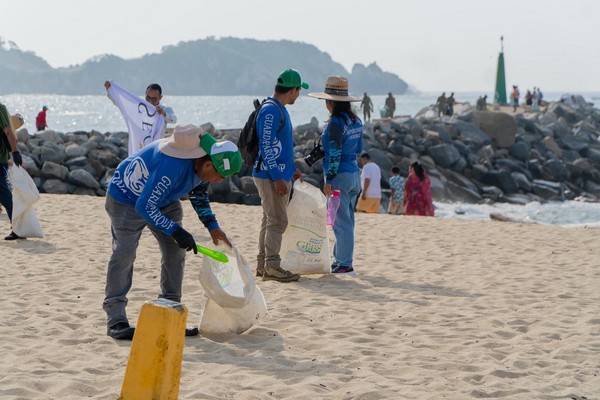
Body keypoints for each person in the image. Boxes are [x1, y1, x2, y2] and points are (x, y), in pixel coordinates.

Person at [103, 124, 242, 340]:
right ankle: (116, 320)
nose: (219, 181)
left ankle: (170, 312)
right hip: (126, 199)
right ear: (207, 164)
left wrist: (213, 227)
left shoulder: (203, 162)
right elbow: (144, 206)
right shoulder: (173, 167)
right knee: (124, 253)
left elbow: (198, 194)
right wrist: (175, 230)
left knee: (176, 252)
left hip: (163, 200)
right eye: (219, 176)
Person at [253, 69, 307, 283]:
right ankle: (272, 266)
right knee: (277, 221)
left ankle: (263, 265)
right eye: (298, 91)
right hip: (269, 175)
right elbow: (266, 145)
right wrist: (277, 178)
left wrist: (291, 169)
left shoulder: (277, 109)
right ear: (292, 90)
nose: (298, 95)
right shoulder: (271, 110)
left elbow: (279, 146)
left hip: (274, 172)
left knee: (269, 220)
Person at [308, 76, 363, 275]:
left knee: (341, 222)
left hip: (339, 176)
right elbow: (359, 148)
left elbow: (334, 154)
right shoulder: (356, 121)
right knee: (347, 220)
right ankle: (340, 259)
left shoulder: (335, 123)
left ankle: (345, 263)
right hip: (354, 174)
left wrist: (329, 180)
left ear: (330, 102)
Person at [104, 81, 177, 138]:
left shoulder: (165, 109)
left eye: (154, 99)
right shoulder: (140, 108)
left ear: (160, 97)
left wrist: (163, 113)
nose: (150, 101)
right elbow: (121, 103)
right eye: (148, 98)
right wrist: (110, 90)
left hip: (156, 146)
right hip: (141, 146)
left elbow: (173, 120)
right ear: (145, 94)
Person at [0, 102, 24, 240]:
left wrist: (15, 152)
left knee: (5, 196)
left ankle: (18, 229)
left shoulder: (0, 108)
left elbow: (9, 131)